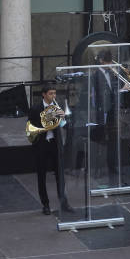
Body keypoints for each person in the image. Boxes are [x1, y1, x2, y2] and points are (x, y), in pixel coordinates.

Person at [28, 85, 74, 215]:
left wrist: (63, 118)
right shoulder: (35, 108)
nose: (53, 96)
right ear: (43, 94)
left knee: (60, 174)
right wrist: (49, 119)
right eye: (50, 94)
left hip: (55, 144)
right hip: (41, 145)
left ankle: (64, 202)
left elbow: (64, 126)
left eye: (54, 93)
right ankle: (45, 204)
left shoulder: (56, 107)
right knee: (41, 175)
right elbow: (31, 128)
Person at [92, 49, 118, 186]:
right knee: (100, 141)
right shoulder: (96, 75)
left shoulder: (112, 74)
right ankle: (98, 169)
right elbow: (95, 96)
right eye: (108, 61)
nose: (110, 64)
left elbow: (113, 91)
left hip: (112, 111)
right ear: (101, 61)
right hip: (101, 112)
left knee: (113, 140)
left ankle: (112, 166)